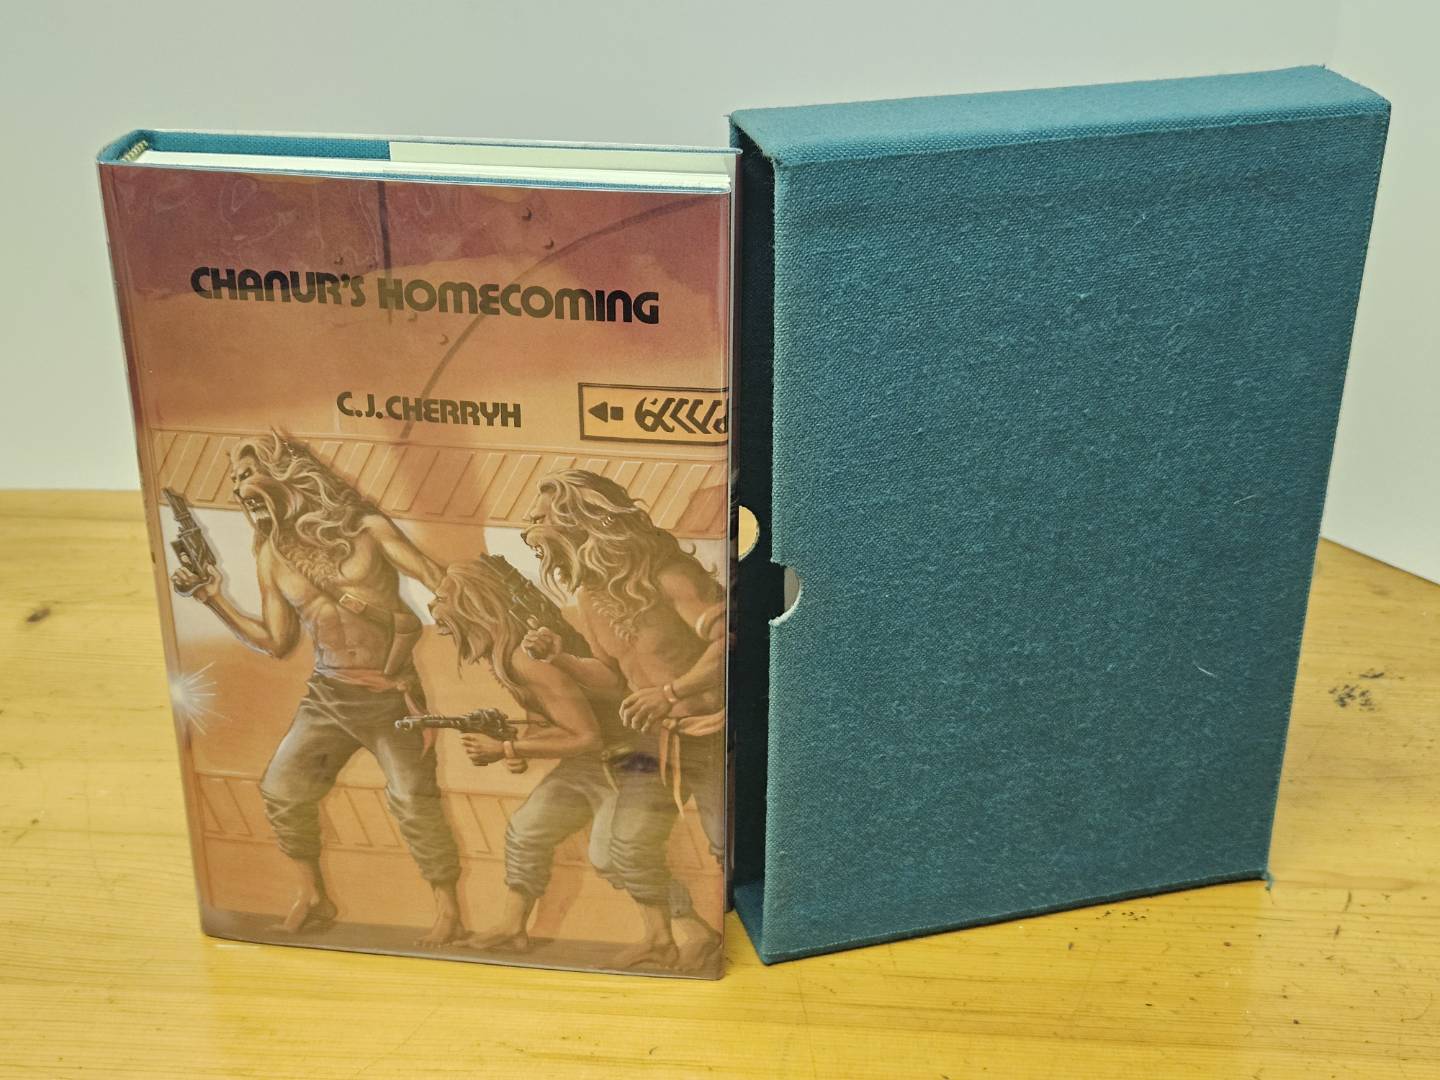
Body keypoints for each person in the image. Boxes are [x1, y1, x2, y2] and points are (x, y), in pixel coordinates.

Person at [170, 433, 464, 945]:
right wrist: (214, 598)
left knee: (413, 799)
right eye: (234, 481)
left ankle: (449, 909)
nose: (238, 489)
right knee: (282, 789)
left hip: (391, 695)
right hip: (329, 696)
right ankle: (313, 896)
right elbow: (276, 640)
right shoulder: (271, 554)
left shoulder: (367, 529)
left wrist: (454, 613)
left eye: (247, 474)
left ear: (285, 473)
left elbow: (436, 579)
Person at [520, 469, 725, 970]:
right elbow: (613, 678)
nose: (531, 527)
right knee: (623, 850)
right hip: (653, 741)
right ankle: (666, 937)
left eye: (541, 518)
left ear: (581, 520)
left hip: (714, 735)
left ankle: (736, 938)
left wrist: (673, 692)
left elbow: (730, 640)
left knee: (726, 844)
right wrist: (560, 657)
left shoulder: (669, 575)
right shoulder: (589, 599)